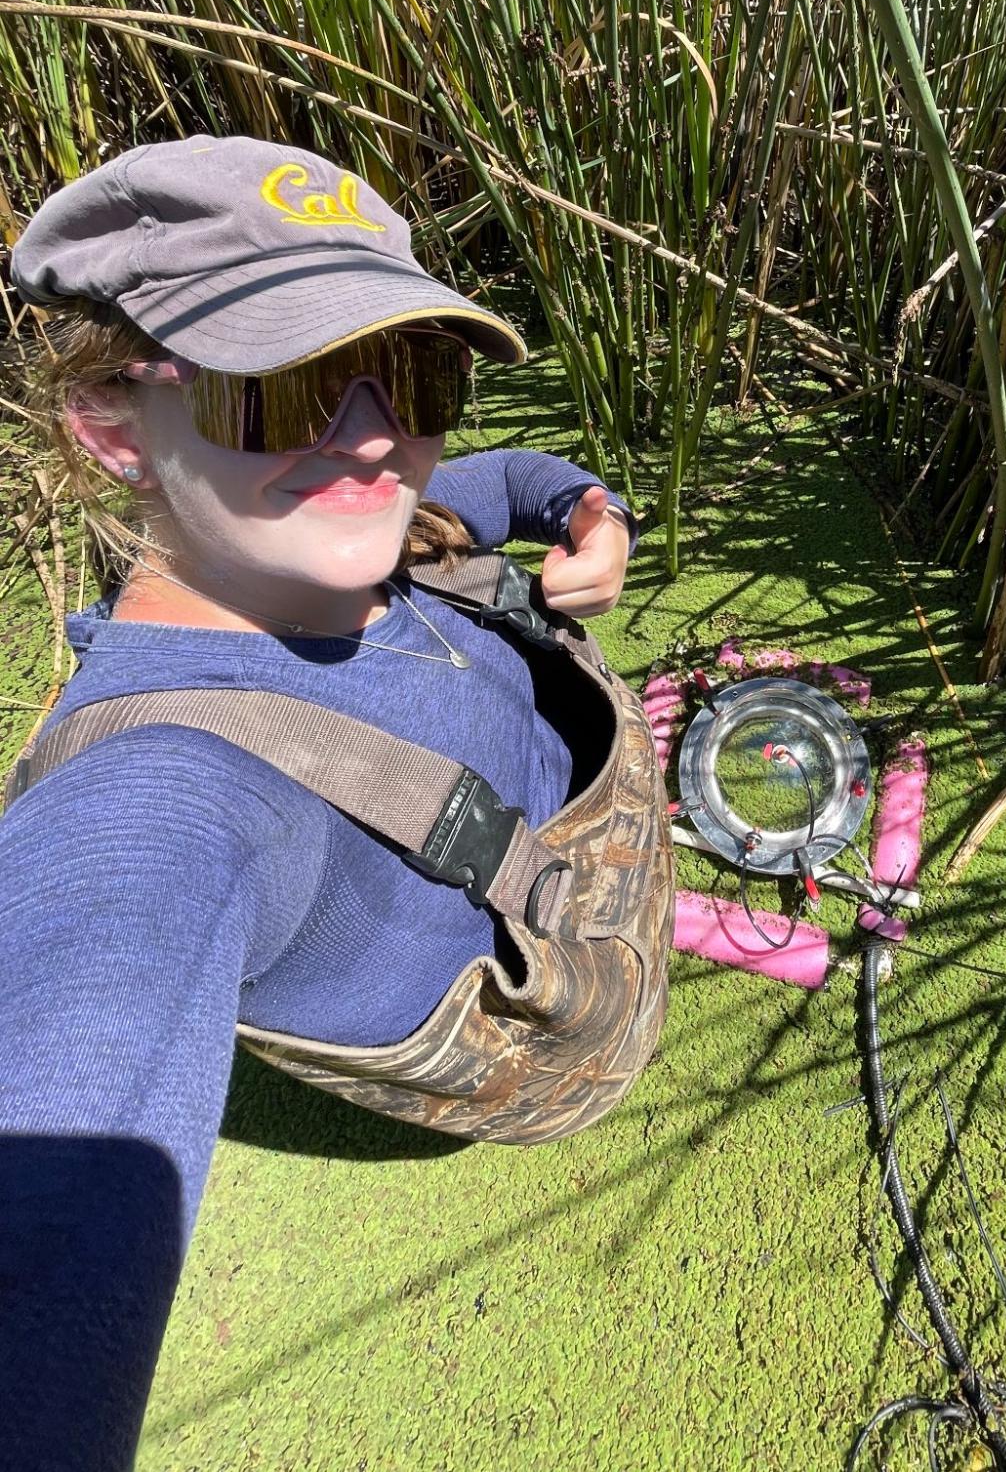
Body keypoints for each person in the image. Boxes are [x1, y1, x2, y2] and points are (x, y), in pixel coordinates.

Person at [0, 135, 660, 1472]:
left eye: (415, 372)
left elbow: (503, 479)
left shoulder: (373, 518)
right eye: (284, 384)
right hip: (553, 1053)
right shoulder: (152, 810)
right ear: (112, 425)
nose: (372, 436)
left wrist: (588, 507)